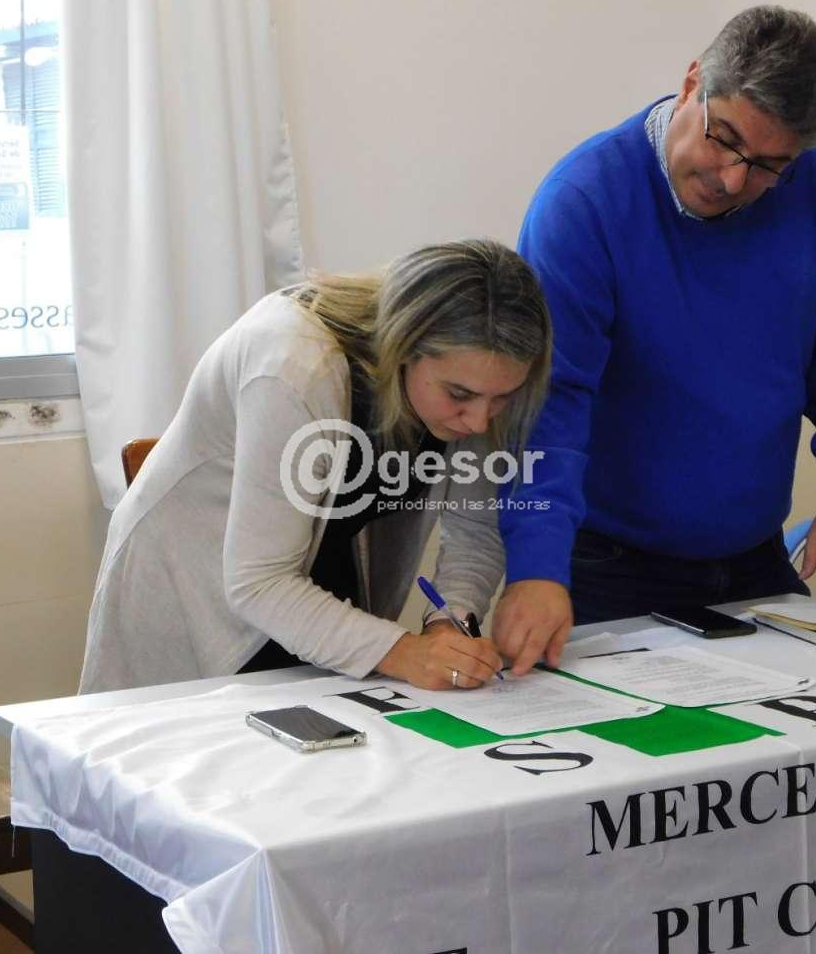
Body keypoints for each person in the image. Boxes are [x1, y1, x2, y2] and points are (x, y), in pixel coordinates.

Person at [494, 5, 816, 676]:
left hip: (754, 558)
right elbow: (548, 405)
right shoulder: (583, 203)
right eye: (724, 139)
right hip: (606, 567)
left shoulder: (810, 180)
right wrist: (536, 565)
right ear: (691, 85)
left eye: (767, 165)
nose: (734, 179)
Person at [79, 239, 552, 694]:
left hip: (308, 584)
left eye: (501, 399)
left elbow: (474, 527)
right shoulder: (294, 365)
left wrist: (450, 621)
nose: (479, 421)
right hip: (198, 582)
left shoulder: (473, 380)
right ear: (402, 346)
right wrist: (404, 652)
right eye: (459, 395)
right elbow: (259, 581)